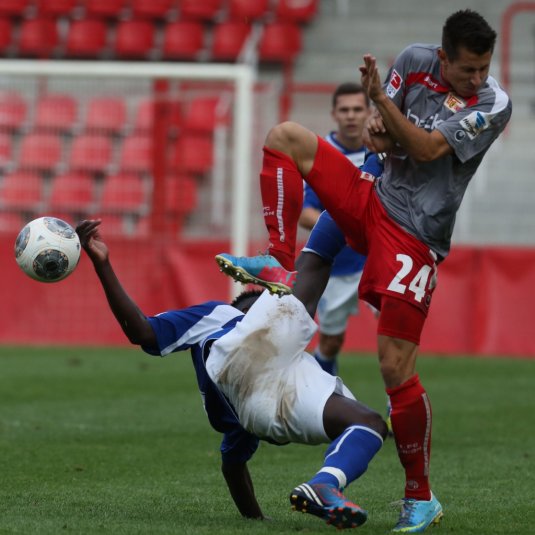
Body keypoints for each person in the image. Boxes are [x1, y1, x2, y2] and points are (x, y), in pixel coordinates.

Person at [215, 9, 512, 533]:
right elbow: (381, 139)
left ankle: (419, 497)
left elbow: (425, 146)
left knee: (394, 366)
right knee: (286, 136)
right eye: (468, 70)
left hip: (416, 234)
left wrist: (381, 107)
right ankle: (277, 256)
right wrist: (381, 123)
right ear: (443, 57)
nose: (477, 79)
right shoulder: (414, 61)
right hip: (373, 195)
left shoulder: (492, 102)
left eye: (484, 68)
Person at [76, 219, 387, 530]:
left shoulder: (243, 415)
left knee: (370, 424)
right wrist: (103, 265)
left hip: (267, 406)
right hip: (242, 365)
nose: (264, 306)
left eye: (266, 301)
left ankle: (325, 484)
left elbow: (233, 467)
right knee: (314, 264)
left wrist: (256, 519)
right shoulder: (221, 314)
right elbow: (142, 331)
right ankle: (364, 177)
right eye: (261, 303)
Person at [299, 82, 376, 376]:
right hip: (337, 267)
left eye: (358, 109)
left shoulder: (381, 148)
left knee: (393, 330)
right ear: (334, 114)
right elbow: (305, 214)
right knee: (330, 342)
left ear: (369, 112)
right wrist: (350, 222)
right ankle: (321, 397)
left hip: (376, 259)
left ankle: (396, 407)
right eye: (344, 110)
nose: (351, 116)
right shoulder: (321, 153)